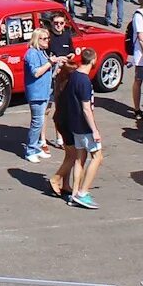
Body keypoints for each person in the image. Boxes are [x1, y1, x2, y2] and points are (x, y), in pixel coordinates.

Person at [49, 47, 102, 209]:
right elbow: (86, 108)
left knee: (79, 159)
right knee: (97, 157)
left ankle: (74, 193)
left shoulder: (74, 77)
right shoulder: (84, 81)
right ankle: (83, 193)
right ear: (93, 60)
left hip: (74, 126)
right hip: (84, 126)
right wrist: (95, 130)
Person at [20, 25, 56, 160]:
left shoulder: (41, 51)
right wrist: (50, 63)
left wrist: (55, 63)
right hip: (36, 93)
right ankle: (30, 150)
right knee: (37, 122)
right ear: (37, 39)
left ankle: (35, 147)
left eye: (48, 38)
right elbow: (36, 73)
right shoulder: (32, 54)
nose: (47, 41)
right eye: (44, 38)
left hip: (44, 91)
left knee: (39, 122)